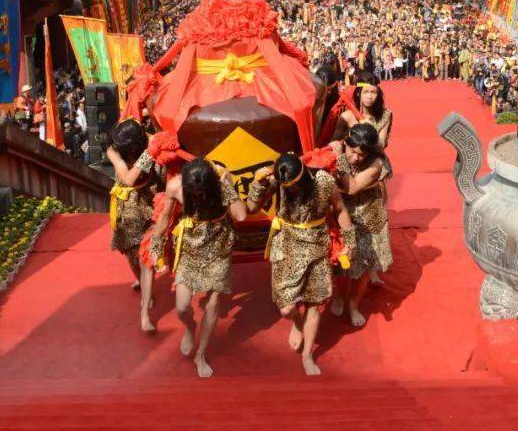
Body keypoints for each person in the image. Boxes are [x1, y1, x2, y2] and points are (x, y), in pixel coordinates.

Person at [246, 153, 355, 375]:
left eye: (294, 187)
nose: (291, 191)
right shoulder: (277, 181)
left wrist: (350, 242)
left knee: (314, 303)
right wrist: (258, 184)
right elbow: (251, 208)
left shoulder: (323, 181)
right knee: (286, 308)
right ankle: (297, 323)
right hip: (286, 245)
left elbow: (341, 208)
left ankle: (307, 355)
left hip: (316, 245)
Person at [150, 158, 247, 378]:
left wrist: (227, 186)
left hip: (218, 247)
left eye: (201, 193)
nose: (197, 197)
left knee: (212, 305)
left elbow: (240, 215)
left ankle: (200, 354)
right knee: (182, 307)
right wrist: (156, 245)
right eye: (192, 193)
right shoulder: (175, 185)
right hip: (190, 248)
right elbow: (165, 217)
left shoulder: (221, 184)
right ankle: (190, 327)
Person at [330, 123, 393, 327]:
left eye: (360, 155)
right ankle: (339, 296)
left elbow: (352, 186)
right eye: (352, 151)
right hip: (341, 215)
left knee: (364, 266)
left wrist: (340, 157)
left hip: (368, 217)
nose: (355, 158)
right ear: (346, 142)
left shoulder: (376, 163)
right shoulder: (338, 146)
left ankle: (353, 304)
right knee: (340, 263)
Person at [105, 119, 165, 333]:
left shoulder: (152, 143)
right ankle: (141, 281)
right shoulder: (113, 150)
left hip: (150, 204)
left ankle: (145, 313)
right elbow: (129, 179)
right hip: (128, 209)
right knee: (132, 256)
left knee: (146, 259)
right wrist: (150, 153)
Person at [337, 83, 394, 148]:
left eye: (373, 92)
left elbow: (381, 145)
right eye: (365, 92)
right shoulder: (346, 116)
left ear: (378, 94)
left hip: (374, 156)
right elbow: (334, 142)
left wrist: (370, 128)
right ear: (359, 93)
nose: (369, 96)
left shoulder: (385, 115)